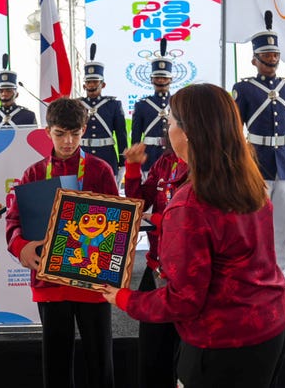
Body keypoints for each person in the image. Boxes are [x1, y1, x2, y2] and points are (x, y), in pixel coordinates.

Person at [103, 83, 285, 387]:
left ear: (188, 132)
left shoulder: (190, 201)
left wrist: (125, 298)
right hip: (273, 322)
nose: (168, 130)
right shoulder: (247, 177)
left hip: (224, 342)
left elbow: (184, 301)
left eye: (171, 123)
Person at [5, 97, 119, 388]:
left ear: (84, 130)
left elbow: (117, 224)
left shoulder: (100, 170)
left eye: (75, 133)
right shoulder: (33, 172)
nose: (68, 141)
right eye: (60, 134)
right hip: (49, 282)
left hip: (93, 282)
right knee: (55, 361)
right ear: (48, 132)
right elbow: (13, 222)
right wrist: (21, 247)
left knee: (100, 359)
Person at [232, 12, 285, 295]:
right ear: (255, 59)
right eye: (266, 55)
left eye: (274, 54)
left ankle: (283, 275)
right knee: (255, 224)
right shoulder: (244, 89)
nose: (271, 59)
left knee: (284, 226)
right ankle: (255, 273)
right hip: (257, 164)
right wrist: (240, 164)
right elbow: (236, 131)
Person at [122, 140, 187, 387]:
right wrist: (133, 168)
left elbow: (201, 218)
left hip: (188, 278)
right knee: (151, 356)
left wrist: (161, 220)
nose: (167, 128)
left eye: (173, 121)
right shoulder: (165, 162)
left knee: (185, 360)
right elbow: (139, 203)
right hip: (156, 268)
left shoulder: (211, 165)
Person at [79, 44, 128, 177]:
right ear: (84, 85)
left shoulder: (113, 105)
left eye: (95, 82)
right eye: (89, 82)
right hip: (83, 154)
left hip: (107, 155)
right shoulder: (77, 105)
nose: (92, 85)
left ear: (103, 84)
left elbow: (121, 135)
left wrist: (123, 161)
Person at [131, 40, 173, 174]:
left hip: (172, 155)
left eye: (164, 77)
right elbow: (136, 136)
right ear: (151, 80)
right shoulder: (142, 105)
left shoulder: (177, 103)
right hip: (149, 157)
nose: (161, 80)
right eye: (157, 77)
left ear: (171, 79)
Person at [0, 61, 37, 158]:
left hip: (21, 158)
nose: (4, 94)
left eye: (8, 90)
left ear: (16, 94)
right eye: (1, 91)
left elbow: (34, 143)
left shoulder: (28, 115)